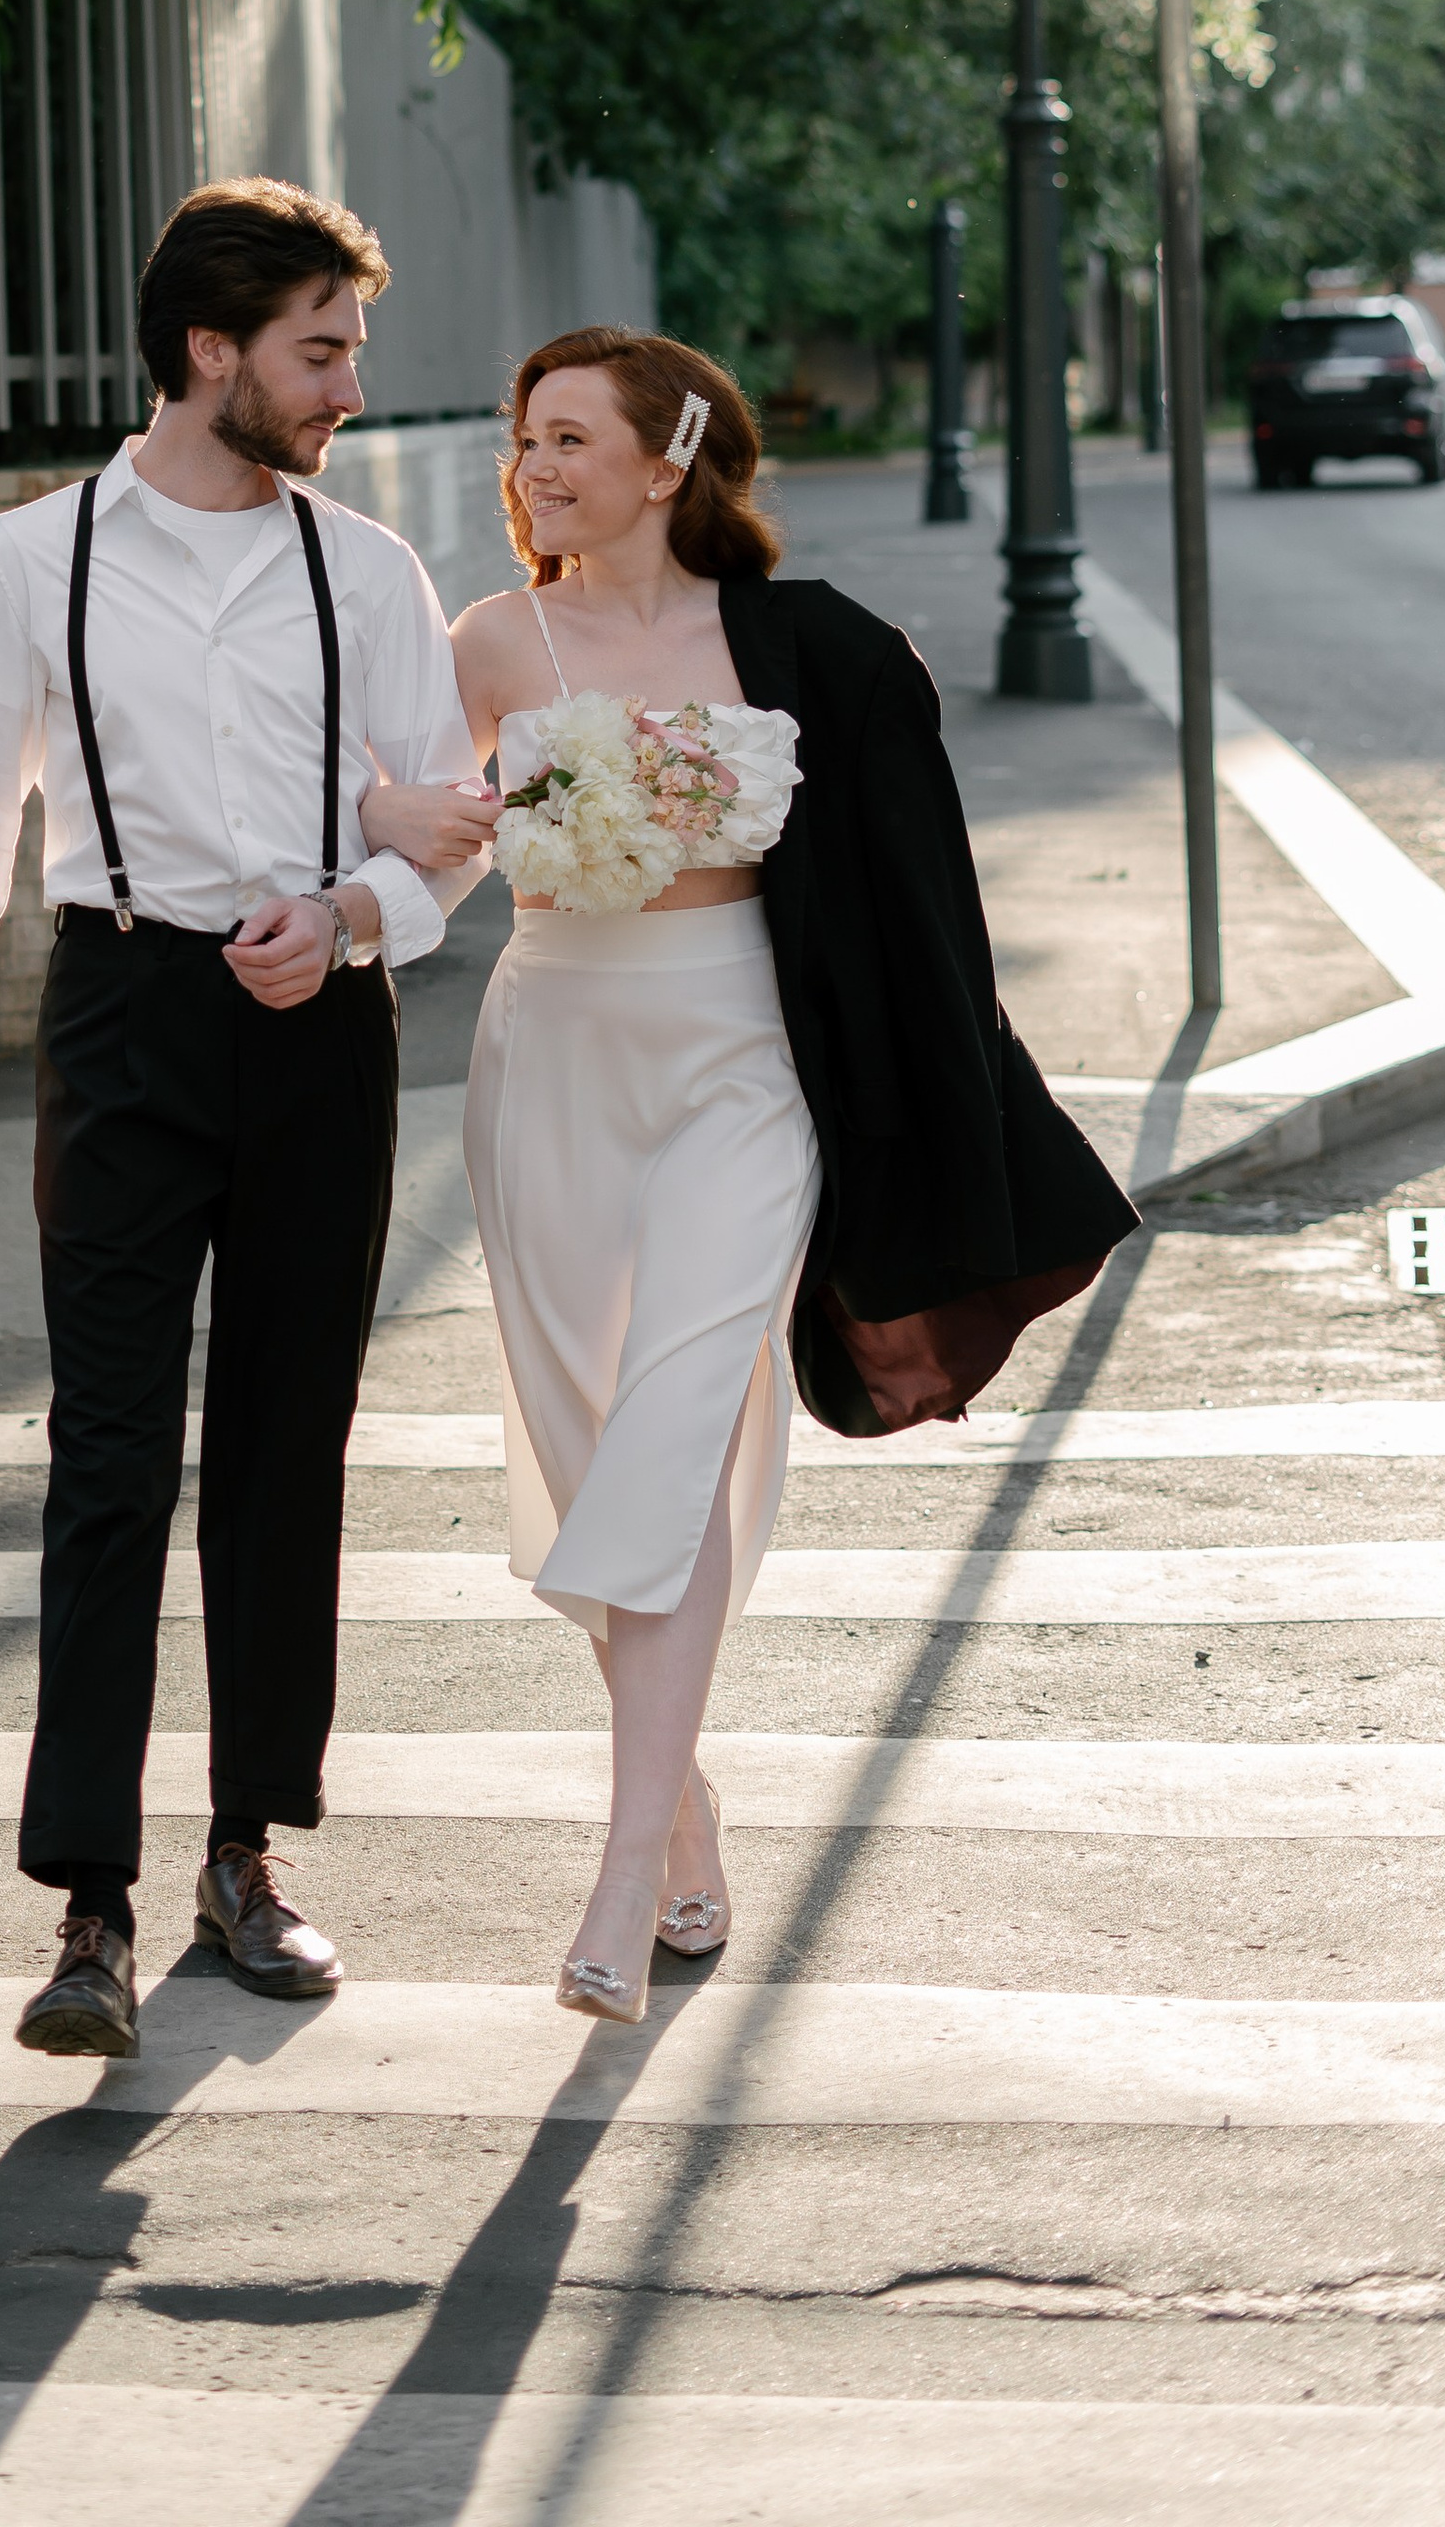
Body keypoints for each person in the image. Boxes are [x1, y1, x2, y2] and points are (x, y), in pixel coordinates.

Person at [365, 325, 1138, 2025]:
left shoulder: (805, 650)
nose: (537, 468)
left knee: (683, 1428)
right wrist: (382, 854)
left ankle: (624, 1866)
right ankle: (687, 1799)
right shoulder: (486, 641)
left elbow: (910, 893)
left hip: (737, 1065)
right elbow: (404, 846)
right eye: (523, 440)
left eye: (571, 437)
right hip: (549, 1063)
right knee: (594, 1460)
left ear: (669, 460)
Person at [0, 178, 478, 2061]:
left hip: (315, 1027)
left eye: (349, 347)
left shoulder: (363, 571)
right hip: (122, 1011)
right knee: (111, 1455)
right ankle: (91, 1903)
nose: (350, 382)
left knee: (289, 1445)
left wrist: (361, 913)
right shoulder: (37, 557)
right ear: (209, 354)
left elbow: (454, 812)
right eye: (321, 347)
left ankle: (246, 1856)